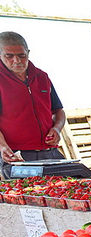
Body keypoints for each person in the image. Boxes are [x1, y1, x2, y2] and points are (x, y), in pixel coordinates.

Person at [0, 31, 66, 178]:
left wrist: (57, 129)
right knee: (29, 196)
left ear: (28, 53)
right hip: (17, 156)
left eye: (21, 55)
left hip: (50, 152)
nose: (16, 60)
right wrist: (2, 146)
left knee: (70, 189)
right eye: (9, 56)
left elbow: (59, 111)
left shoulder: (42, 77)